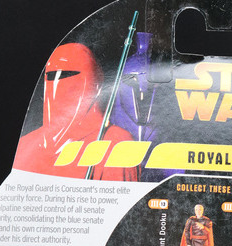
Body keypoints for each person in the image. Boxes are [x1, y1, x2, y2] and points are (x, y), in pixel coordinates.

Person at [13, 42, 138, 181]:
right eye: (52, 75)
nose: (57, 85)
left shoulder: (116, 142)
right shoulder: (25, 145)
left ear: (94, 82)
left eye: (67, 74)